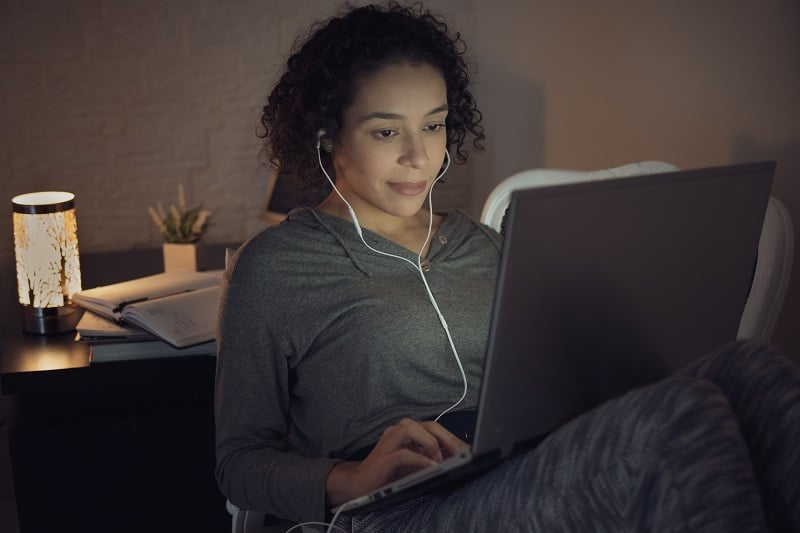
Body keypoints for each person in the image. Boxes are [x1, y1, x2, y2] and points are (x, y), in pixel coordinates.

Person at [214, 3, 800, 531]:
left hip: (523, 466)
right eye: (387, 130)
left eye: (435, 125)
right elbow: (240, 461)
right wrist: (352, 478)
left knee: (751, 368)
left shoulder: (483, 243)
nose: (420, 156)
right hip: (402, 509)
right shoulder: (276, 267)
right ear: (326, 134)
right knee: (679, 416)